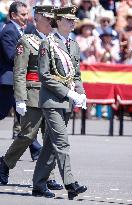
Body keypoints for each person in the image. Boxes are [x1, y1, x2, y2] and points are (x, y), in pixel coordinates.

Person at [0, 5, 63, 191]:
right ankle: (4, 163)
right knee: (27, 135)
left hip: (50, 95)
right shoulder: (27, 39)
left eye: (53, 18)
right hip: (32, 94)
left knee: (50, 137)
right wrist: (20, 98)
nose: (52, 21)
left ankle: (47, 176)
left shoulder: (55, 41)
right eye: (47, 18)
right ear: (38, 19)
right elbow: (19, 71)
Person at [32, 6, 87, 199]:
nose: (73, 22)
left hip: (67, 102)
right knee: (62, 142)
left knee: (50, 146)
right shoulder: (48, 43)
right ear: (58, 21)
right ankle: (70, 183)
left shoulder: (74, 45)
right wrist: (69, 94)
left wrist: (81, 94)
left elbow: (76, 75)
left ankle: (38, 184)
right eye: (68, 19)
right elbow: (45, 75)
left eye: (74, 20)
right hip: (51, 101)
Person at [0, 1, 42, 163]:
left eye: (27, 14)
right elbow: (11, 57)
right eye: (23, 15)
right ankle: (36, 150)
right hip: (8, 82)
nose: (26, 17)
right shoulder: (8, 32)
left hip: (19, 82)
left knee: (25, 120)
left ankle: (36, 151)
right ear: (13, 16)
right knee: (4, 113)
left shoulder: (25, 30)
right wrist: (30, 55)